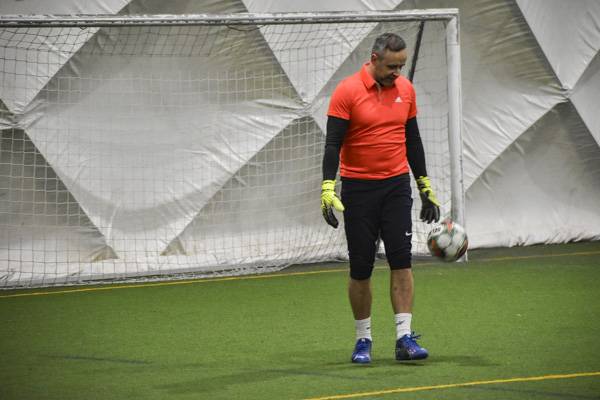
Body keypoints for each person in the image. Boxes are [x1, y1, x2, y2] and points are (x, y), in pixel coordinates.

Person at [320, 33, 440, 363]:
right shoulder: (347, 91)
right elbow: (333, 144)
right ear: (374, 59)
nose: (397, 73)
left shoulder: (406, 90)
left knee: (402, 259)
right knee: (361, 266)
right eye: (391, 66)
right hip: (359, 189)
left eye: (401, 66)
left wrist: (425, 187)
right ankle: (363, 341)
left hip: (396, 187)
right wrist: (328, 186)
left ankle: (404, 340)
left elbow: (413, 140)